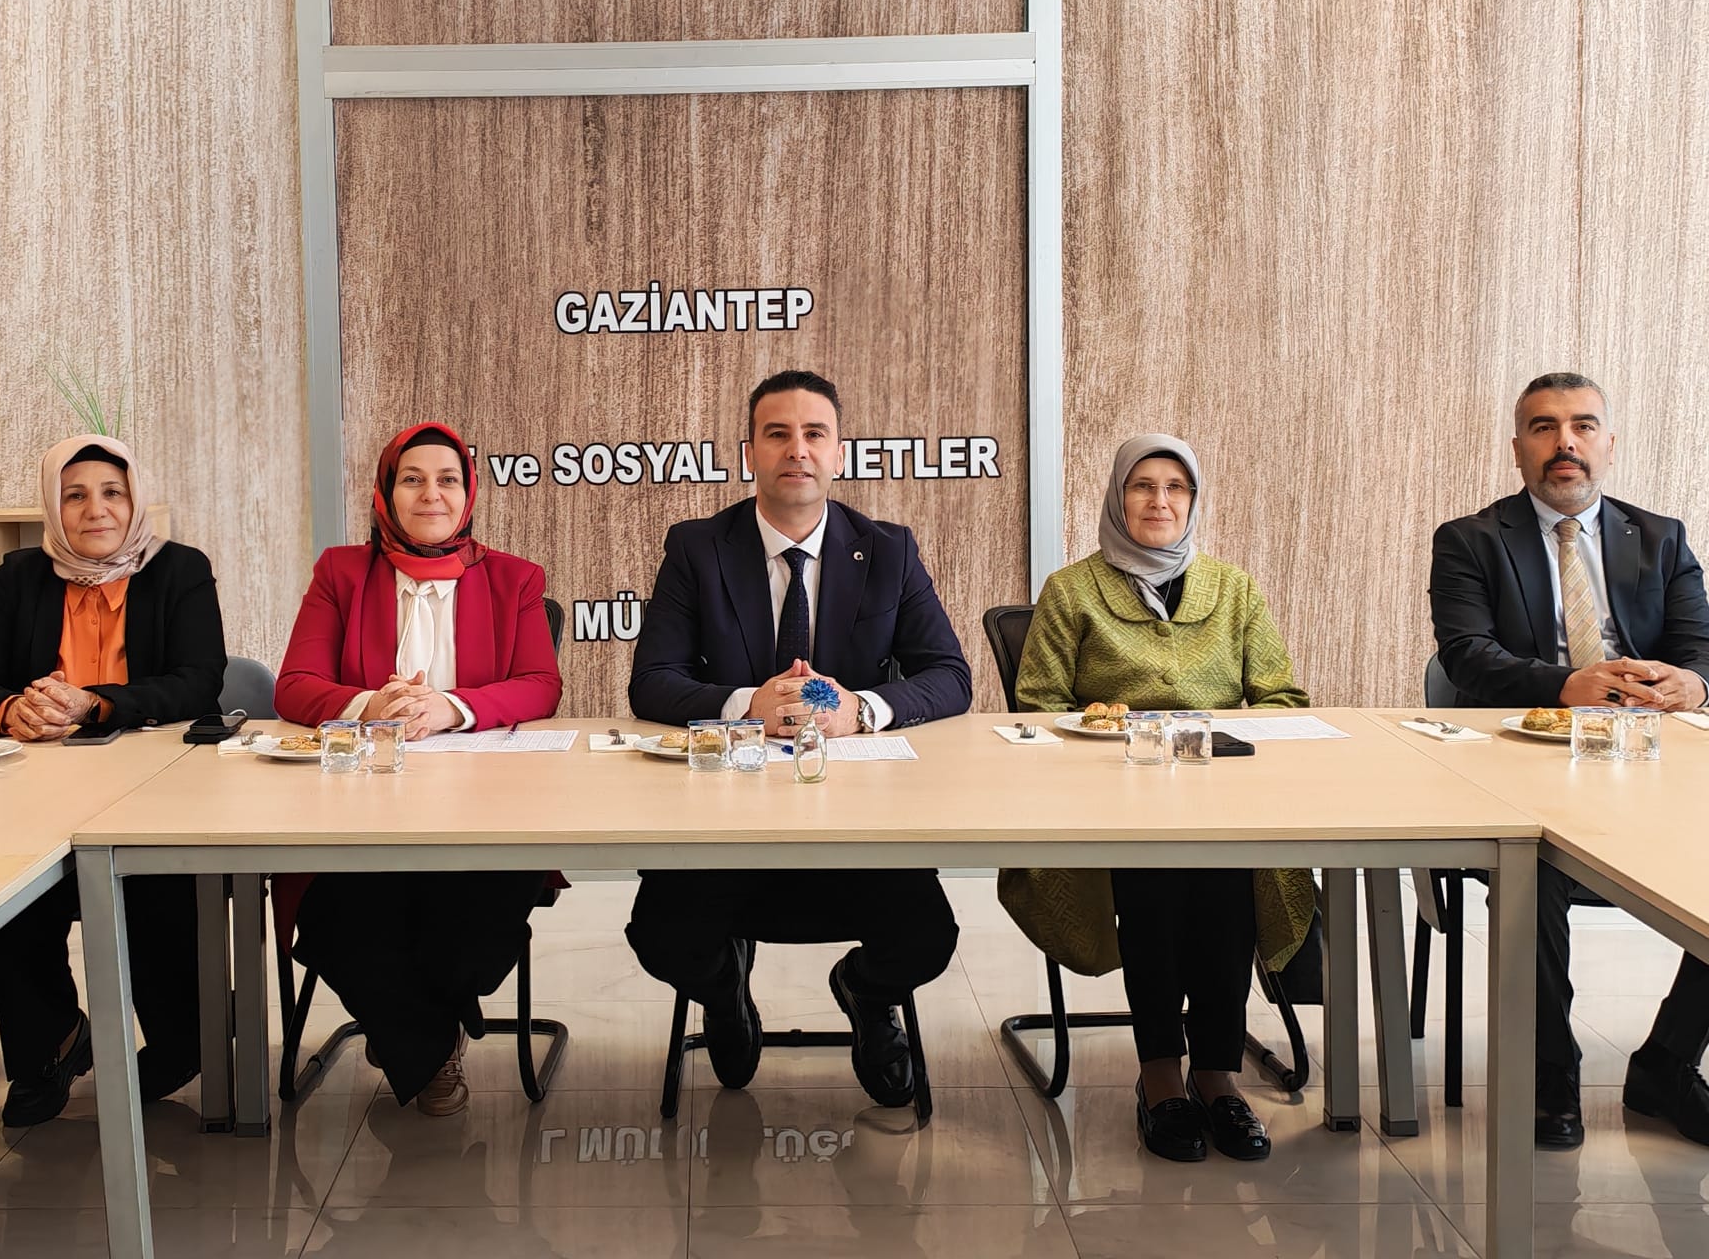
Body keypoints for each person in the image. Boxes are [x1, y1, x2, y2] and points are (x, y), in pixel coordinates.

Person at [625, 370, 972, 1108]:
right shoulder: (697, 548)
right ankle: (725, 990)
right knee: (661, 936)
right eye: (777, 434)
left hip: (859, 823)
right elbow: (651, 682)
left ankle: (866, 993)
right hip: (722, 822)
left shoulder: (888, 550)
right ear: (749, 451)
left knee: (926, 939)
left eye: (815, 434)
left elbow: (949, 675)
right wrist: (747, 705)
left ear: (839, 451)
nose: (797, 450)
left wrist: (861, 710)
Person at [1000, 434, 1312, 1163]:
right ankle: (1161, 1075)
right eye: (1142, 486)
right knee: (1154, 878)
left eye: (1176, 487)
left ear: (1193, 501)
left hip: (1219, 795)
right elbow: (1037, 704)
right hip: (1108, 799)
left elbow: (1282, 698)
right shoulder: (1072, 590)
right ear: (1118, 497)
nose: (1159, 501)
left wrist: (1221, 736)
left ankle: (1218, 1076)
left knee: (1230, 879)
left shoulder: (1233, 589)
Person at [1430, 371, 1709, 1149]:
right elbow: (1465, 655)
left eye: (1583, 426)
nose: (1566, 443)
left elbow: (1699, 647)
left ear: (1608, 443)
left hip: (1648, 764)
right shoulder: (1471, 540)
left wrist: (1692, 682)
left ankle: (1666, 1063)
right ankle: (1549, 1074)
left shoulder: (1661, 537)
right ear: (1518, 447)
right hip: (1523, 763)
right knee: (1537, 868)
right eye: (1544, 427)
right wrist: (1564, 684)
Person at [276, 421, 562, 1116]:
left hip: (487, 811)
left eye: (447, 480)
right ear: (386, 492)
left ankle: (406, 1027)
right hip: (358, 810)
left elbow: (540, 685)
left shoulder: (515, 578)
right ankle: (430, 1044)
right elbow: (294, 686)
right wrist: (370, 704)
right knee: (337, 919)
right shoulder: (341, 573)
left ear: (468, 494)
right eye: (412, 479)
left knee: (479, 923)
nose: (431, 494)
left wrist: (450, 708)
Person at [0, 435, 226, 1127]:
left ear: (135, 500)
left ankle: (183, 1043)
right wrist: (12, 708)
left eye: (112, 493)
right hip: (37, 792)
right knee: (9, 891)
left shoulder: (180, 570)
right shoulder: (19, 577)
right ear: (52, 506)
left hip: (159, 786)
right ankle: (53, 1044)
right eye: (74, 496)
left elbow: (198, 682)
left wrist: (93, 703)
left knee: (158, 886)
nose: (95, 509)